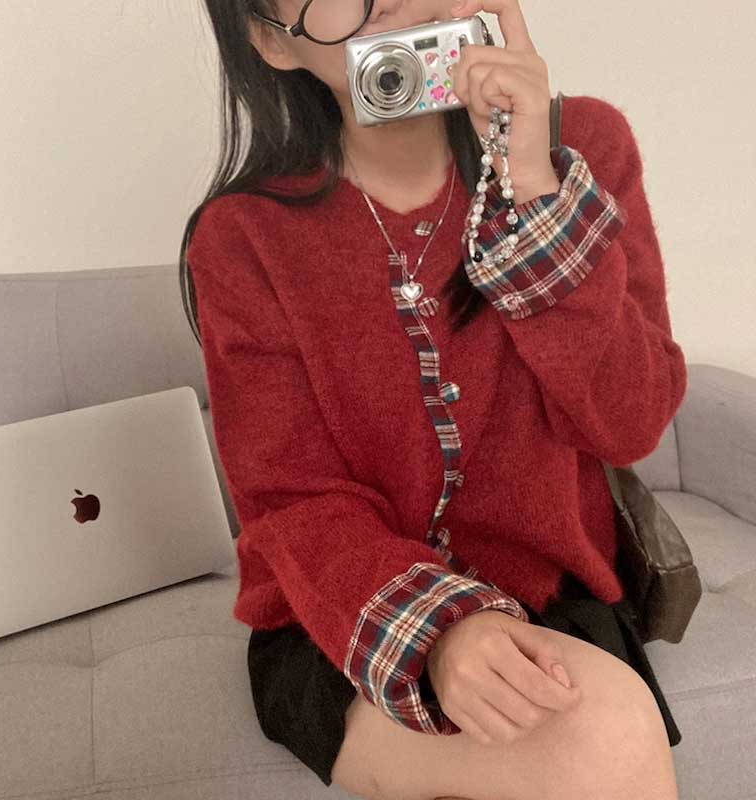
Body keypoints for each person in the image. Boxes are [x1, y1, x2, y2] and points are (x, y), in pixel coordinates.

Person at [181, 1, 688, 798]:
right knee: (602, 734)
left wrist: (534, 189)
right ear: (274, 40)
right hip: (348, 615)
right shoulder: (243, 235)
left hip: (551, 598)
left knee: (595, 732)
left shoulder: (579, 149)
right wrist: (444, 634)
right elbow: (293, 500)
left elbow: (630, 423)